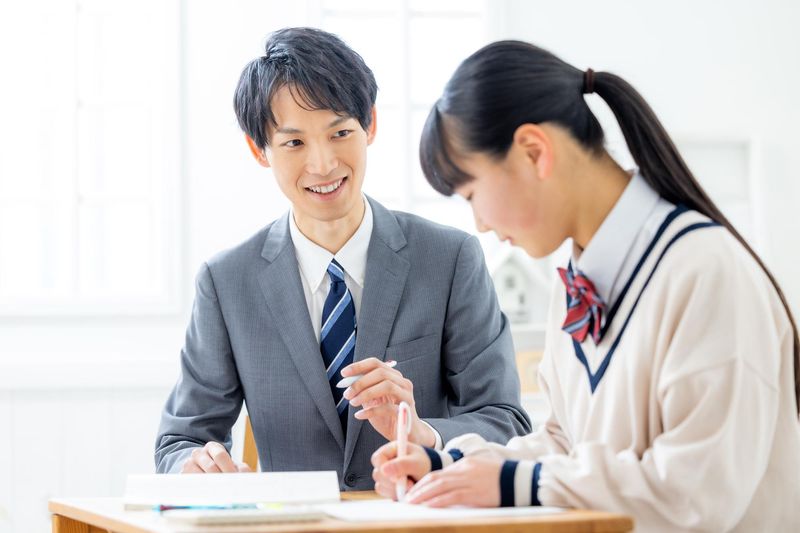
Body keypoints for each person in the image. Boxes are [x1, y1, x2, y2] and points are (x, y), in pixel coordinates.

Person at [371, 40, 800, 531]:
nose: (481, 224)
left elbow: (699, 490)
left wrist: (515, 482)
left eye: (473, 193)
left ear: (534, 152)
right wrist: (449, 469)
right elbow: (565, 445)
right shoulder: (574, 283)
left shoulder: (705, 271)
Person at [154, 28, 531, 490]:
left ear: (370, 124)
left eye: (340, 132)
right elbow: (179, 441)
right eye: (294, 143)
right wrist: (196, 464)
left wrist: (424, 434)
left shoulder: (450, 258)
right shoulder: (227, 282)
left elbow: (507, 423)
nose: (323, 164)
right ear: (259, 150)